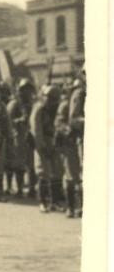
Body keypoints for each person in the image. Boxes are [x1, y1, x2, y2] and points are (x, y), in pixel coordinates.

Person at [30, 84, 63, 213]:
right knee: (43, 173)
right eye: (50, 98)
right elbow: (36, 130)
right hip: (42, 142)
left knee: (57, 172)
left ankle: (55, 201)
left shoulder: (56, 109)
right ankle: (43, 202)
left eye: (55, 98)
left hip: (55, 142)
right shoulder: (39, 109)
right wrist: (41, 146)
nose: (52, 101)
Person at [55, 78, 84, 218]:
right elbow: (60, 124)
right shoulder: (64, 106)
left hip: (79, 141)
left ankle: (82, 207)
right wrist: (69, 130)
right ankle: (71, 207)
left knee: (81, 178)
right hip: (69, 144)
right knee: (71, 177)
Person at [6, 78, 35, 197]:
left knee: (31, 164)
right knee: (19, 164)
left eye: (29, 90)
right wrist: (19, 121)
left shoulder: (32, 103)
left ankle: (32, 189)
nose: (28, 93)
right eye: (26, 90)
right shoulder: (14, 104)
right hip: (18, 136)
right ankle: (19, 188)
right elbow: (8, 121)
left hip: (30, 136)